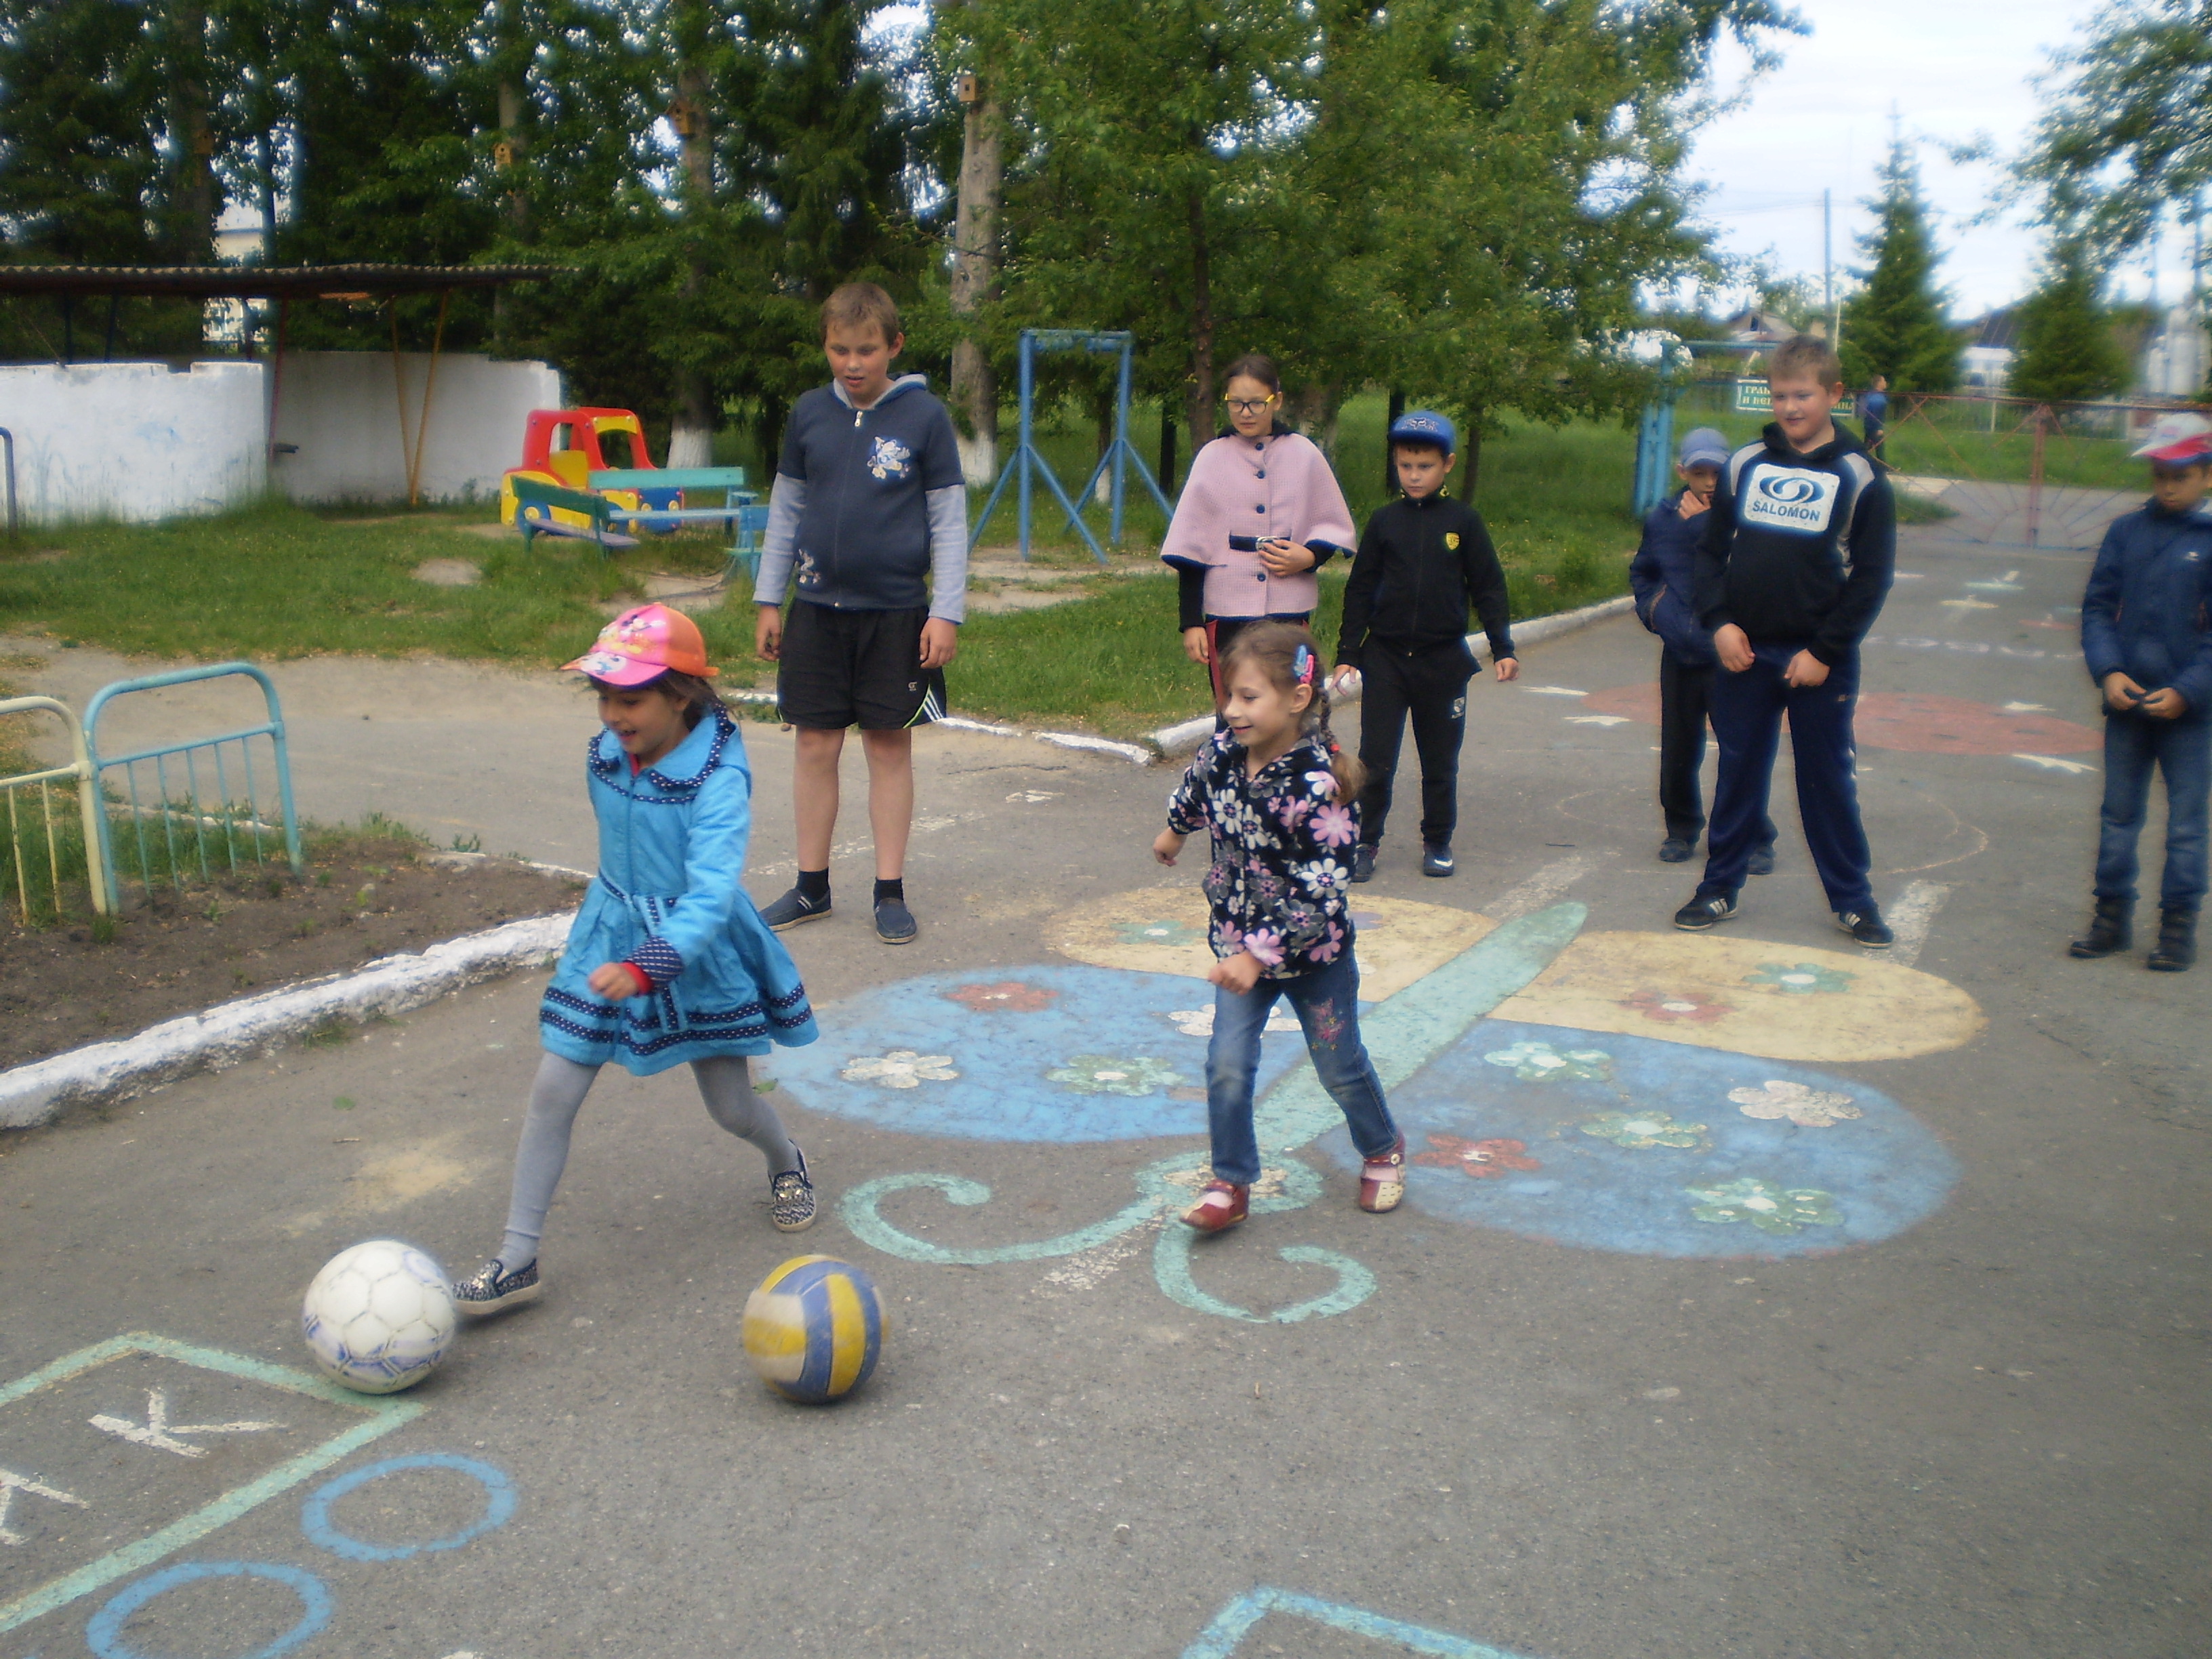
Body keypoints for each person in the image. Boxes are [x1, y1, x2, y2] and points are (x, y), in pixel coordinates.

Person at [454, 605, 821, 1315]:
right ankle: (517, 1259)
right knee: (553, 1091)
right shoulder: (609, 750)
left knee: (731, 1108)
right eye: (603, 696)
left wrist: (650, 963)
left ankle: (786, 1161)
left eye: (630, 699)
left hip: (695, 950)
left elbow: (711, 895)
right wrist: (624, 943)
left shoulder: (717, 779)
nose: (612, 714)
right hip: (609, 937)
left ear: (680, 695)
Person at [1152, 621, 1406, 1234]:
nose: (1232, 711)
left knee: (1339, 1065)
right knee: (1227, 1064)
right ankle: (1231, 1181)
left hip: (1314, 958)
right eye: (1229, 696)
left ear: (1297, 699)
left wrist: (1256, 955)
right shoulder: (1223, 751)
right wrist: (1176, 830)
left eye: (1249, 697)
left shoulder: (1319, 786)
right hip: (1238, 947)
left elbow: (1321, 890)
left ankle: (1382, 1148)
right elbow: (1197, 787)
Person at [753, 282, 969, 945]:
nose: (852, 363)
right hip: (816, 611)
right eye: (839, 349)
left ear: (894, 346)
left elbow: (948, 521)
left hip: (896, 614)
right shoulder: (809, 413)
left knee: (887, 746)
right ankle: (811, 887)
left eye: (866, 350)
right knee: (814, 745)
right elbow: (786, 509)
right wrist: (768, 598)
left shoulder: (925, 417)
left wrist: (946, 612)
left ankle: (889, 891)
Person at [1676, 334, 1898, 946]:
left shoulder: (1861, 476)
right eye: (1780, 396)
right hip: (1744, 652)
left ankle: (1854, 901)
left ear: (1834, 394)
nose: (1791, 407)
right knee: (1738, 774)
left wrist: (1824, 652)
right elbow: (1710, 554)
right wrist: (1720, 623)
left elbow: (1871, 578)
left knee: (1827, 781)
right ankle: (1718, 887)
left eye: (1803, 395)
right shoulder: (1746, 464)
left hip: (1819, 662)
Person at [1329, 409, 1517, 882]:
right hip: (1387, 659)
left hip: (1443, 662)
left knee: (1439, 762)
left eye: (1425, 467)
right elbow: (1360, 588)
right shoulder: (1384, 522)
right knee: (1376, 760)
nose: (1414, 476)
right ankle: (1366, 841)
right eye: (1405, 466)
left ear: (1447, 465)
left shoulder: (1464, 522)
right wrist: (1348, 653)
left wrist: (1503, 646)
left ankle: (1437, 840)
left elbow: (1488, 586)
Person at [2069, 412, 2212, 972]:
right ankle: (2110, 918)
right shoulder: (2126, 532)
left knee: (2186, 826)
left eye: (2181, 475)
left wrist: (2188, 691)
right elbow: (2098, 608)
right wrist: (2108, 671)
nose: (2168, 486)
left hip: (2191, 713)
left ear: (2206, 474)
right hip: (2127, 705)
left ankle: (2177, 926)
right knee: (2118, 817)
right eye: (2160, 475)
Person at [1158, 354, 1355, 709]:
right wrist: (1191, 622)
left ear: (1276, 401)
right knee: (1234, 708)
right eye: (1235, 403)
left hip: (1288, 611)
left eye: (1256, 403)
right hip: (1227, 610)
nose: (1245, 413)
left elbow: (1328, 520)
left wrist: (1310, 557)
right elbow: (1192, 546)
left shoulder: (1304, 454)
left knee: (1289, 705)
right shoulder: (1212, 458)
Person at [1629, 426, 1777, 868]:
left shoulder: (1746, 515)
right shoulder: (1662, 518)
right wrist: (1655, 612)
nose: (1709, 481)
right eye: (1699, 473)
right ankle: (1681, 828)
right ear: (1683, 472)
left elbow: (1743, 567)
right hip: (1680, 649)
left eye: (1717, 472)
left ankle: (1755, 836)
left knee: (1740, 749)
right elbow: (1644, 572)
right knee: (1678, 749)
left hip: (1730, 653)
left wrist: (1702, 525)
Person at [1858, 373, 1889, 469]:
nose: (1885, 383)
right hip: (1874, 426)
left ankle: (1865, 466)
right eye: (1884, 381)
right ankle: (1883, 467)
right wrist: (1879, 428)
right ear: (1879, 383)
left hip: (1869, 425)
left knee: (1869, 447)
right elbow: (1876, 414)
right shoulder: (1877, 398)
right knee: (1878, 447)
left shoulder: (1872, 395)